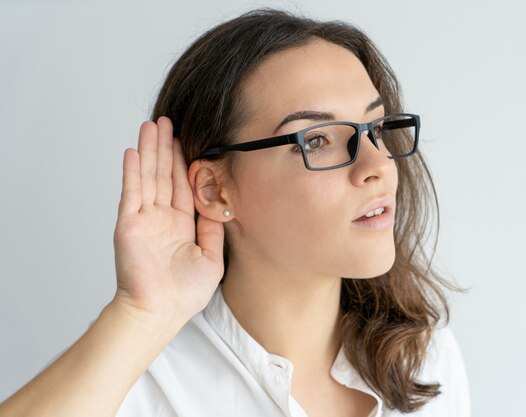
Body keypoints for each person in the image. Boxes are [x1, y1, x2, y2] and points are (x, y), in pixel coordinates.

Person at [0, 8, 470, 417]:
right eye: (318, 140)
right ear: (215, 190)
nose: (377, 166)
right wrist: (143, 312)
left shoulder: (426, 360)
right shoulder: (138, 386)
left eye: (376, 128)